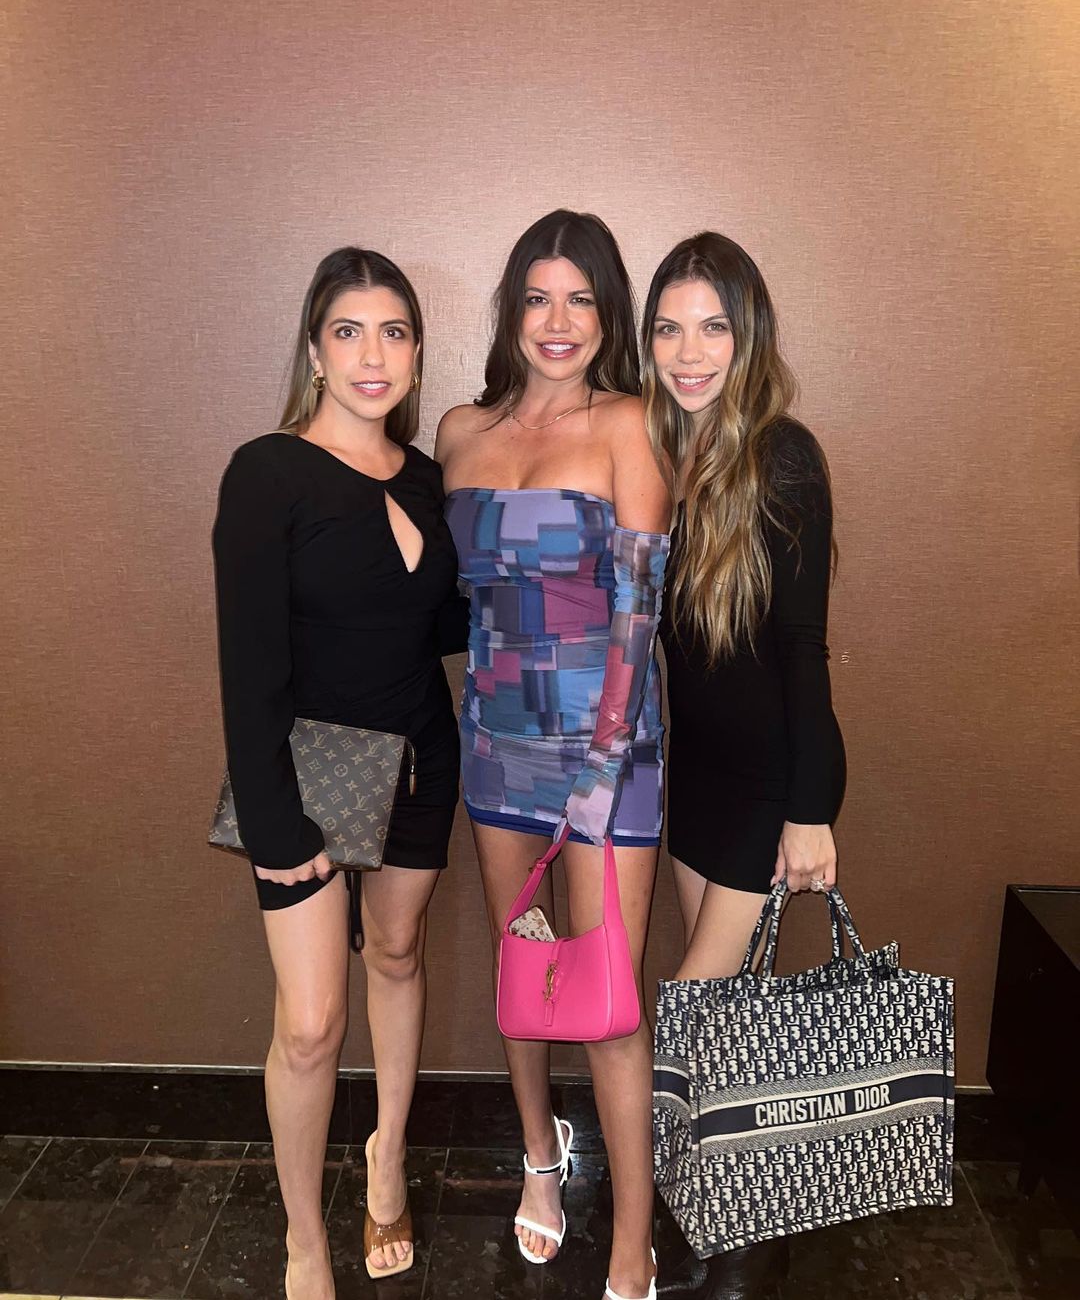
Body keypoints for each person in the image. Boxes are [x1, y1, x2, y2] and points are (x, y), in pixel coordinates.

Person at [212, 247, 463, 1296]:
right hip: (305, 779)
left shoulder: (429, 478)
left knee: (397, 955)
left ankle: (386, 1158)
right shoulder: (266, 472)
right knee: (311, 1024)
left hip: (421, 760)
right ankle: (305, 1238)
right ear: (315, 352)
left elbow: (442, 625)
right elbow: (247, 668)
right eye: (349, 332)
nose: (373, 355)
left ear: (415, 352)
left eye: (393, 332)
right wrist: (277, 830)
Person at [436, 210, 670, 1300]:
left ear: (607, 314)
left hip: (606, 756)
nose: (558, 320)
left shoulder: (629, 423)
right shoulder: (459, 431)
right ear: (512, 312)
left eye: (580, 299)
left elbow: (640, 610)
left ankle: (631, 1240)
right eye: (538, 298)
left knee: (611, 1001)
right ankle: (540, 1155)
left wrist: (600, 771)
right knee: (523, 967)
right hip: (496, 747)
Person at [642, 232, 846, 1300]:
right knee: (729, 1019)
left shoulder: (783, 456)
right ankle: (737, 1218)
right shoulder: (663, 456)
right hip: (698, 778)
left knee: (693, 1005)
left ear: (749, 333)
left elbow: (805, 649)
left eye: (713, 326)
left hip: (769, 783)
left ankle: (739, 1243)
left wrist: (810, 810)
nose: (690, 352)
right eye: (670, 329)